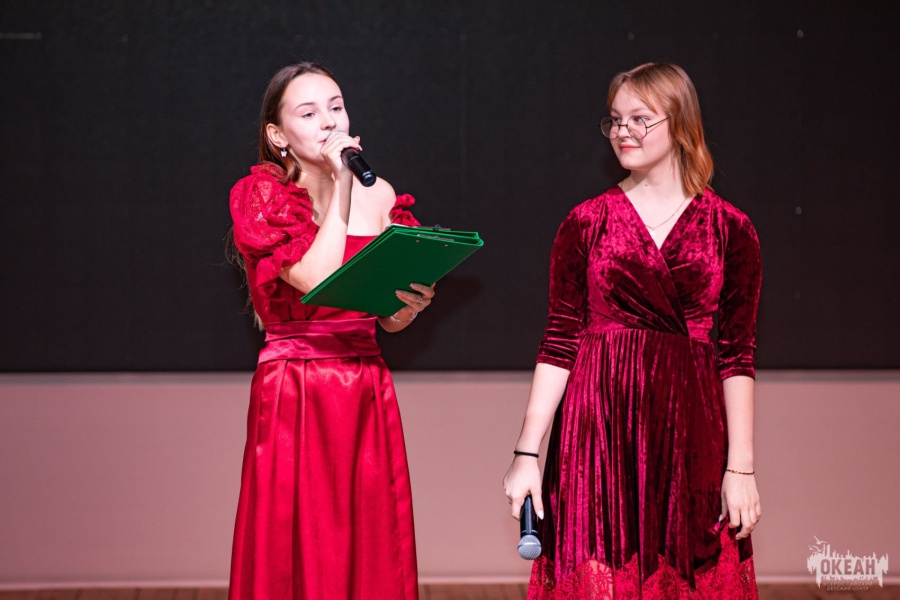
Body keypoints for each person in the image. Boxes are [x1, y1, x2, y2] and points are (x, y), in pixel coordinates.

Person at [503, 63, 762, 598]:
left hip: (689, 434)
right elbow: (559, 341)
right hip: (597, 432)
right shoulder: (586, 222)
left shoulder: (730, 228)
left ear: (681, 123)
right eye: (615, 119)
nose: (623, 130)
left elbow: (737, 355)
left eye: (640, 118)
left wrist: (741, 469)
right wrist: (527, 453)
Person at [227, 62, 432, 600]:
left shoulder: (379, 195)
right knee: (296, 542)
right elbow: (317, 280)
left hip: (365, 385)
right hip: (296, 387)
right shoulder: (262, 196)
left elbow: (388, 320)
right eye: (309, 112)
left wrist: (410, 305)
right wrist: (342, 187)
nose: (328, 121)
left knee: (370, 540)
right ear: (277, 136)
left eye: (336, 107)